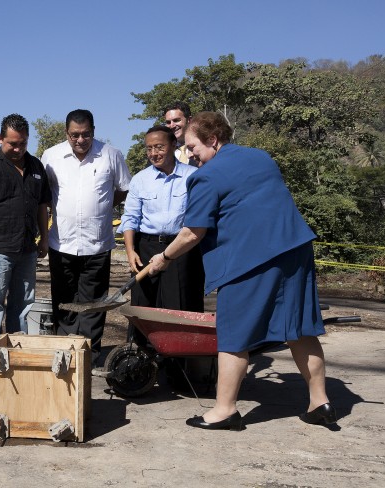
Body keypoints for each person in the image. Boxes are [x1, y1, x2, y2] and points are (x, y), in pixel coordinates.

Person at [148, 112, 332, 430]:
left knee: (234, 333)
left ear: (213, 140)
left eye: (192, 146)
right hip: (295, 248)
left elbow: (193, 232)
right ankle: (320, 401)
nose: (189, 154)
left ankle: (224, 410)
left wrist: (163, 257)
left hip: (251, 258)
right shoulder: (260, 157)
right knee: (299, 328)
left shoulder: (205, 176)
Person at [41, 109, 131, 368]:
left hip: (97, 243)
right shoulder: (51, 156)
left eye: (86, 134)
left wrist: (104, 207)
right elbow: (44, 194)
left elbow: (124, 189)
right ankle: (66, 352)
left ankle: (90, 353)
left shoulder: (111, 155)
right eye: (75, 135)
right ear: (66, 133)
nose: (80, 140)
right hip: (63, 242)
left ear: (94, 131)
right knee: (65, 300)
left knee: (93, 301)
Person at [0, 113, 51, 348]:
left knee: (23, 304)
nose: (18, 148)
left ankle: (16, 354)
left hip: (26, 248)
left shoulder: (35, 166)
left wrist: (44, 238)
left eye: (23, 143)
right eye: (12, 143)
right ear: (0, 138)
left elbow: (43, 205)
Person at [119, 125, 204, 315]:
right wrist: (130, 251)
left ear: (174, 144)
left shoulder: (193, 177)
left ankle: (180, 344)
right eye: (149, 148)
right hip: (146, 247)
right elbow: (130, 218)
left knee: (180, 305)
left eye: (159, 147)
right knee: (144, 305)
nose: (153, 153)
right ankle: (143, 345)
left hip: (181, 250)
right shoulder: (140, 179)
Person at [163, 101, 198, 167]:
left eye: (176, 120)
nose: (172, 125)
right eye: (168, 122)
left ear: (189, 120)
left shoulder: (204, 146)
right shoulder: (162, 151)